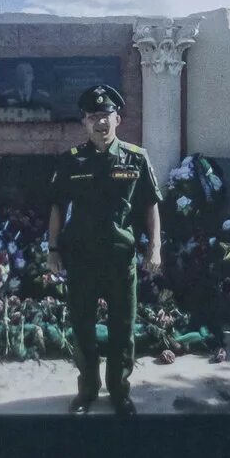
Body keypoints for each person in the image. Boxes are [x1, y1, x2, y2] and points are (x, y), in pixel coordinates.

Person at [47, 85, 162, 415]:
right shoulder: (70, 161)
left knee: (122, 328)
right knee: (82, 326)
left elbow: (151, 206)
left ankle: (119, 391)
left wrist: (155, 248)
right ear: (84, 122)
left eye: (106, 116)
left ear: (118, 119)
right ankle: (87, 391)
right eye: (93, 117)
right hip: (81, 258)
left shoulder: (136, 159)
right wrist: (52, 249)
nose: (101, 123)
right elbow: (56, 206)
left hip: (119, 259)